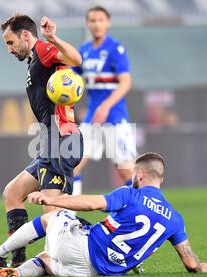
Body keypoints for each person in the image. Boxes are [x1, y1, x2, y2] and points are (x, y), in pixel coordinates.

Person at [0, 152, 207, 277]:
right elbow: (191, 263)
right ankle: (17, 272)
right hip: (97, 271)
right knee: (47, 259)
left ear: (140, 174)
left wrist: (53, 200)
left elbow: (92, 204)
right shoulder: (175, 218)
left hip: (85, 248)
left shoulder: (131, 194)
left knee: (53, 218)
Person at [0, 14, 83, 267]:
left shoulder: (43, 49)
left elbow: (75, 60)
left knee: (53, 213)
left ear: (25, 35)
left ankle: (93, 246)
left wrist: (52, 38)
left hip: (61, 141)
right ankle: (18, 258)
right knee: (12, 193)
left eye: (10, 43)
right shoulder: (34, 61)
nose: (9, 50)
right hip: (51, 144)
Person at [72, 6, 136, 195]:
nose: (97, 24)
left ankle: (144, 210)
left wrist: (106, 106)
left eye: (101, 20)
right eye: (92, 20)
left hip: (115, 116)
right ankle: (67, 218)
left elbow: (126, 82)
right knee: (73, 166)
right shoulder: (83, 50)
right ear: (87, 23)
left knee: (125, 170)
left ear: (108, 23)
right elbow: (70, 80)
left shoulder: (115, 49)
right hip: (92, 117)